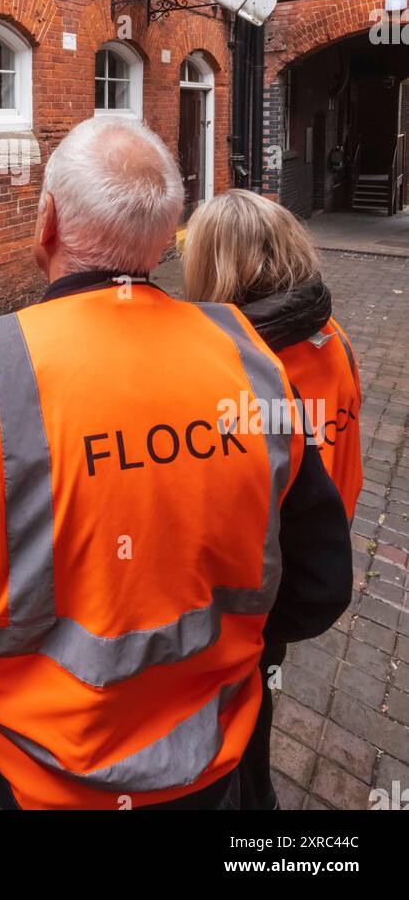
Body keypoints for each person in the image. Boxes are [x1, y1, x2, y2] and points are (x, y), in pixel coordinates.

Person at [0, 118, 352, 810]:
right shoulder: (253, 363)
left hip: (23, 780)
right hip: (209, 768)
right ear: (165, 231)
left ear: (48, 221)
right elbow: (321, 584)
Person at [182, 188, 361, 809]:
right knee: (258, 701)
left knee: (232, 720)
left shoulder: (233, 367)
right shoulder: (331, 337)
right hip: (302, 568)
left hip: (243, 592)